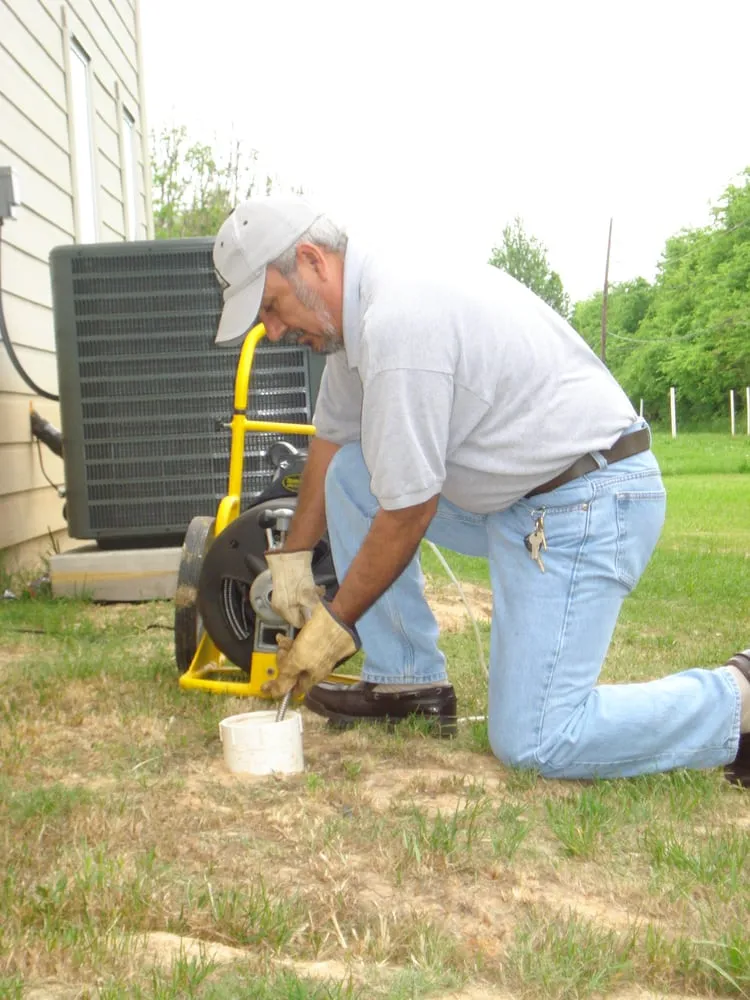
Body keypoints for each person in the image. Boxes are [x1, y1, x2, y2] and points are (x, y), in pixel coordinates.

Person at [212, 197, 749, 785]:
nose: (274, 330)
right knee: (352, 474)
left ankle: (736, 703)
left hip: (592, 500)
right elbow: (331, 445)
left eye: (271, 306)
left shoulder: (398, 320)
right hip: (522, 498)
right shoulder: (356, 323)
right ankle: (407, 683)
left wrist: (334, 624)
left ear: (311, 261)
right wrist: (291, 563)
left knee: (537, 737)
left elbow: (409, 509)